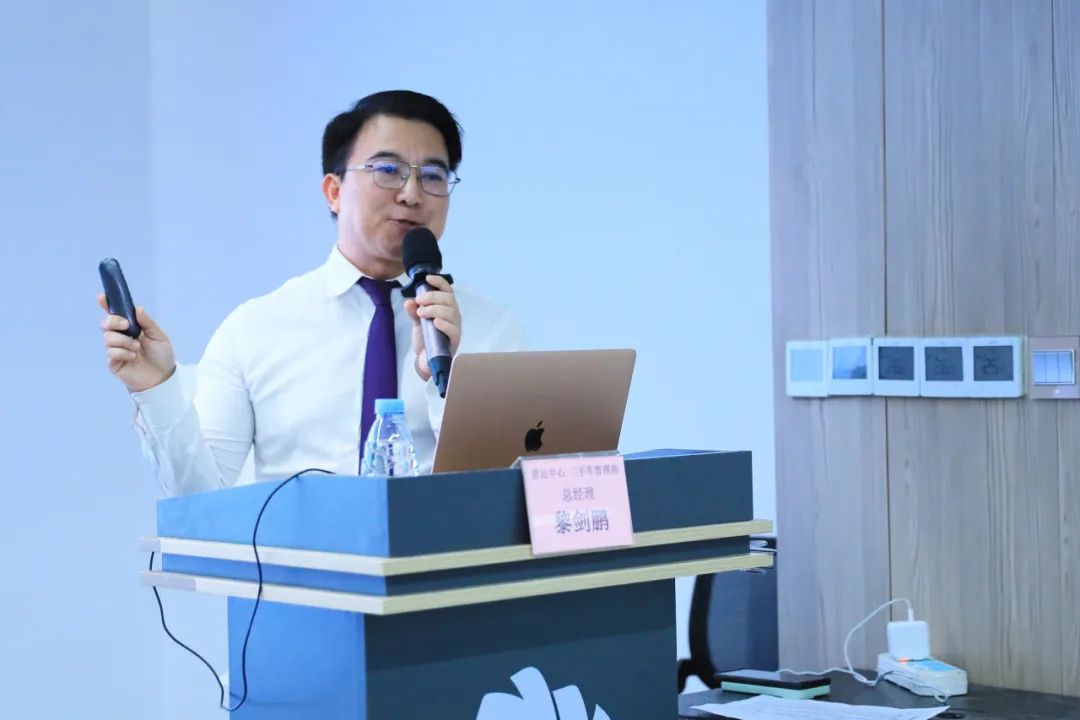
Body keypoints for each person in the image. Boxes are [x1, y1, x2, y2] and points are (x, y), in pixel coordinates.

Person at [98, 90, 525, 497]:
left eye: (432, 175)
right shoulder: (256, 328)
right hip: (297, 552)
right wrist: (157, 390)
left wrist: (446, 382)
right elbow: (201, 499)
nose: (412, 194)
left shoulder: (490, 328)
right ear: (334, 192)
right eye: (387, 170)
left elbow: (508, 497)